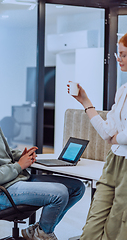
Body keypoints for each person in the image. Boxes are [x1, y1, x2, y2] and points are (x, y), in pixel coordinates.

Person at [0, 93, 85, 240]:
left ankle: (39, 230)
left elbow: (5, 152)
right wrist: (18, 166)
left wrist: (21, 156)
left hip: (17, 179)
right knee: (59, 193)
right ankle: (43, 234)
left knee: (78, 187)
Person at [68, 32, 127, 240]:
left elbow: (118, 136)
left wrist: (117, 138)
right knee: (91, 228)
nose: (119, 59)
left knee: (117, 230)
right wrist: (85, 101)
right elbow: (106, 132)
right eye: (117, 54)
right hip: (114, 162)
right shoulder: (122, 90)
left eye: (123, 54)